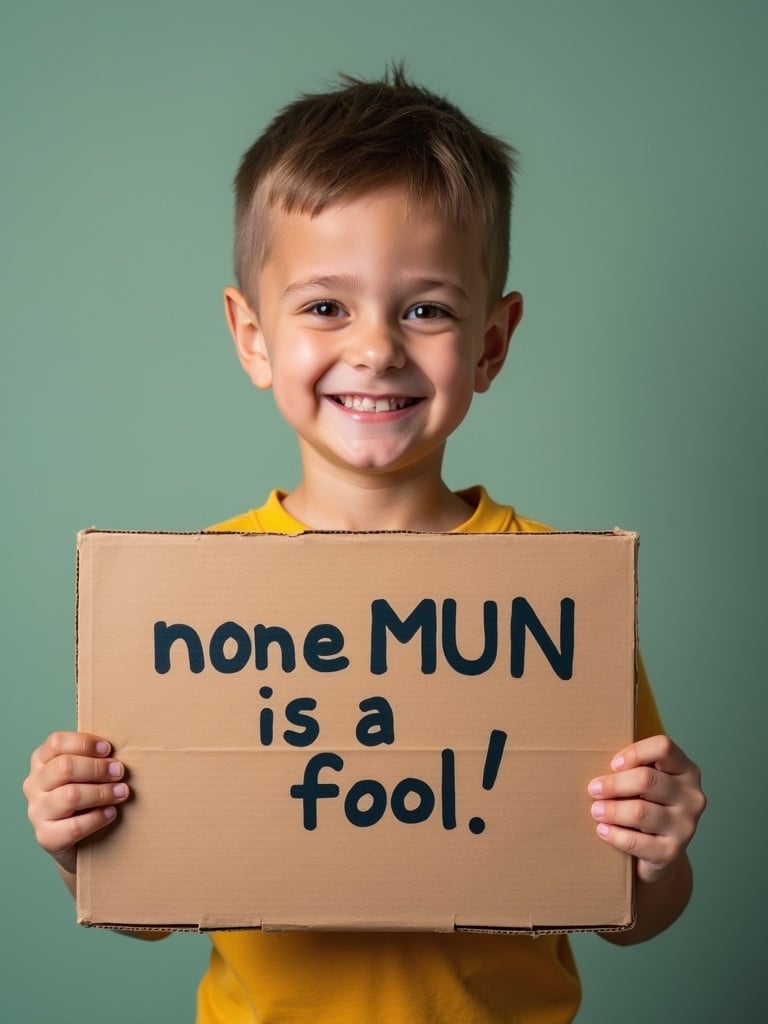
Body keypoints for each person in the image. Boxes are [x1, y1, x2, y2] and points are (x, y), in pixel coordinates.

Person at [23, 67, 706, 1023]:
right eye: (325, 307)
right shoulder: (190, 601)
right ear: (252, 336)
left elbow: (632, 911)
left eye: (424, 308)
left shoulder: (559, 602)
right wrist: (78, 845)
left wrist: (659, 851)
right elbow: (153, 908)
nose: (377, 347)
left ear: (491, 343)